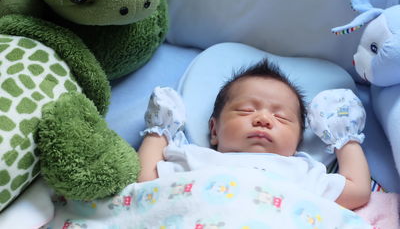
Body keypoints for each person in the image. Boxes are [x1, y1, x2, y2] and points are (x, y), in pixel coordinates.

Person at [138, 59, 371, 210]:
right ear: (214, 130)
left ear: (297, 143)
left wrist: (344, 137)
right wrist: (159, 130)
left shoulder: (303, 171)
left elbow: (358, 191)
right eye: (246, 110)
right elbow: (146, 182)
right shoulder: (194, 157)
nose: (263, 119)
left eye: (281, 117)